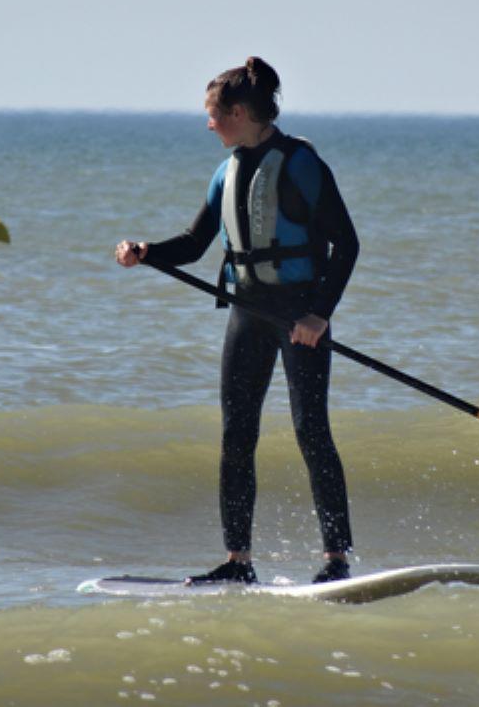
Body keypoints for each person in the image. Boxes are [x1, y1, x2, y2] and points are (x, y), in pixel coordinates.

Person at [115, 57, 360, 585]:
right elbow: (194, 243)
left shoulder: (300, 165)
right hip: (248, 313)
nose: (209, 125)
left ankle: (336, 560)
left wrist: (319, 315)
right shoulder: (224, 173)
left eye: (214, 115)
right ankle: (238, 562)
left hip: (298, 315)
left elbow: (347, 244)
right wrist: (146, 251)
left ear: (240, 113)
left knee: (311, 431)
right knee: (236, 436)